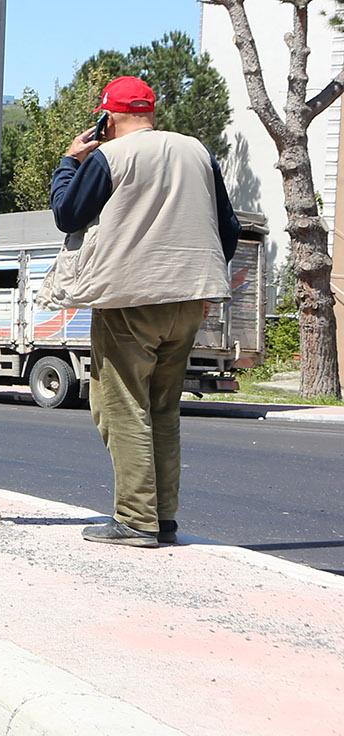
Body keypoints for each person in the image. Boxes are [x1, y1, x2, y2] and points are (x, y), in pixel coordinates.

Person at [44, 75, 239, 548]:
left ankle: (135, 520)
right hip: (190, 300)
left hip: (130, 299)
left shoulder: (110, 155)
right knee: (163, 408)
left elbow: (67, 214)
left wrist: (70, 162)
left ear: (106, 119)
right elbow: (228, 228)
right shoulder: (197, 151)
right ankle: (162, 518)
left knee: (121, 404)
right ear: (150, 113)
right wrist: (199, 282)